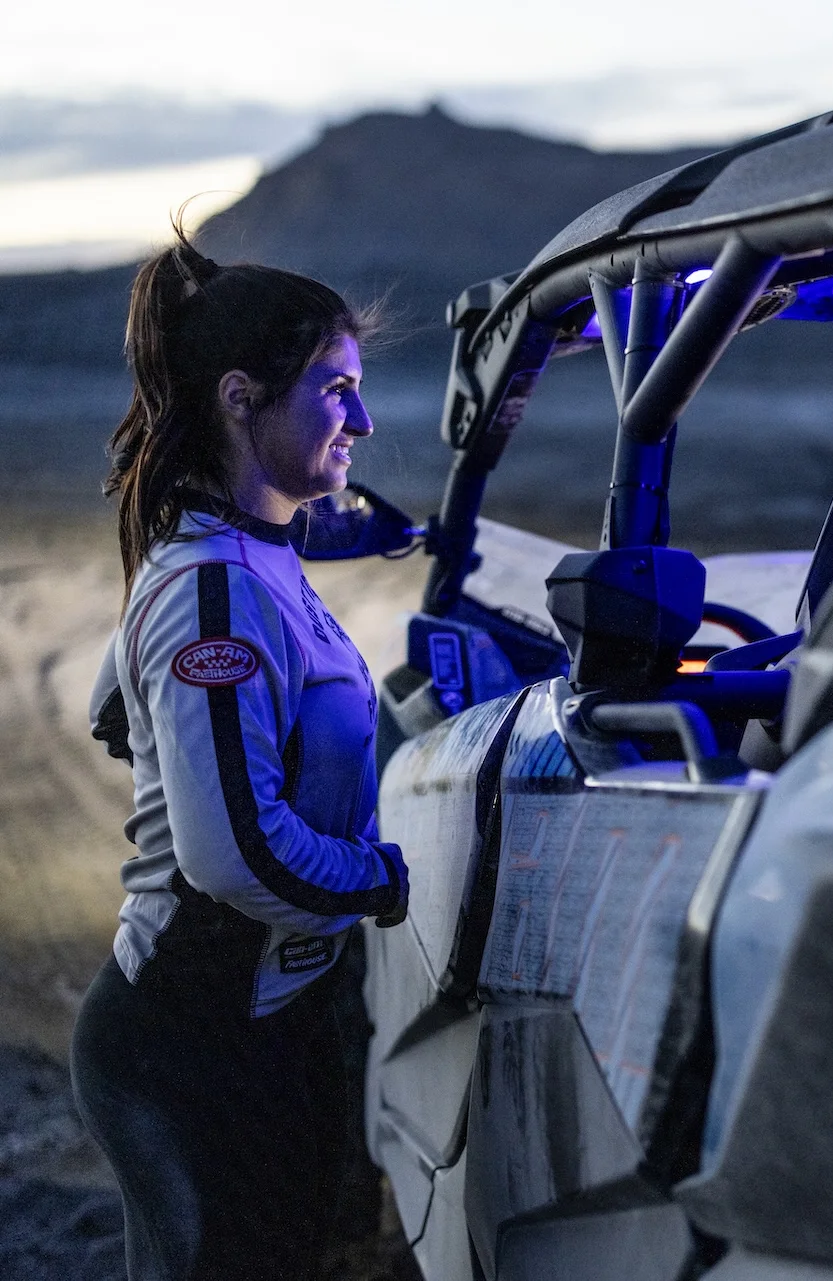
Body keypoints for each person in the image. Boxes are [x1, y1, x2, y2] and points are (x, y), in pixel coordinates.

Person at [73, 231, 409, 1280]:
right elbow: (235, 856)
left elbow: (113, 709)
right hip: (194, 1041)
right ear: (238, 398)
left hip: (256, 1024)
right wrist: (389, 878)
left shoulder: (244, 559)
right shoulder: (216, 588)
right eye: (336, 390)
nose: (362, 420)